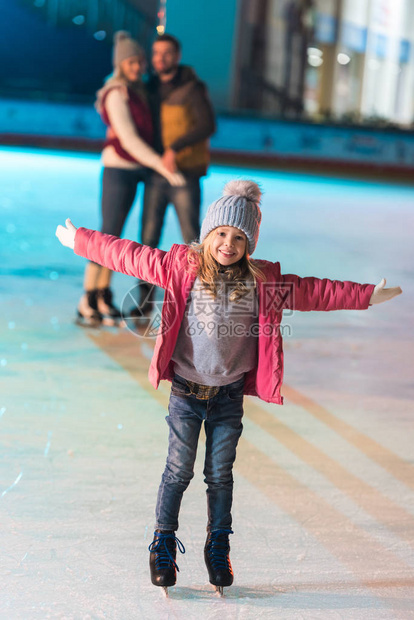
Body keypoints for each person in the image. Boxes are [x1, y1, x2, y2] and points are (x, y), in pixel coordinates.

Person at [56, 180, 402, 592]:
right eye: (221, 233)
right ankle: (162, 541)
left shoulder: (261, 281)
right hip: (186, 391)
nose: (228, 243)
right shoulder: (180, 266)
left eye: (239, 237)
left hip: (228, 396)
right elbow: (128, 256)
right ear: (207, 234)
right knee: (178, 470)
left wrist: (365, 296)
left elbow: (314, 291)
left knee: (220, 475)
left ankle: (217, 545)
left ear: (250, 242)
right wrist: (81, 240)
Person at [78, 31, 184, 327]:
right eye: (131, 62)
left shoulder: (137, 91)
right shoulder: (116, 93)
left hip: (134, 170)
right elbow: (130, 139)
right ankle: (87, 299)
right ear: (120, 64)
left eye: (140, 62)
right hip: (118, 170)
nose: (137, 67)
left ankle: (102, 295)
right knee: (107, 233)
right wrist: (162, 166)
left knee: (115, 237)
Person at [132, 33, 216, 317]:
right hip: (156, 175)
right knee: (148, 239)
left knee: (193, 240)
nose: (160, 59)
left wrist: (174, 149)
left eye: (166, 53)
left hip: (185, 175)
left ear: (177, 56)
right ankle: (144, 305)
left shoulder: (192, 88)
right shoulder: (149, 87)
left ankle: (199, 305)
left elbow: (207, 125)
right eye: (156, 54)